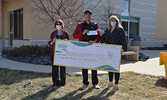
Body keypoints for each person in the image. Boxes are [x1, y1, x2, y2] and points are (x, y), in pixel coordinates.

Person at [73, 10, 102, 90]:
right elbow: (74, 35)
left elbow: (99, 36)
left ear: (91, 16)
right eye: (86, 15)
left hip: (93, 48)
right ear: (84, 16)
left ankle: (95, 83)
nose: (88, 16)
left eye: (89, 15)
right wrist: (82, 33)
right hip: (83, 48)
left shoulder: (95, 25)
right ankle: (85, 83)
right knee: (84, 66)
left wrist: (94, 41)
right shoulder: (80, 25)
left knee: (94, 66)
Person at [101, 15, 127, 91]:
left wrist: (123, 48)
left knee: (116, 68)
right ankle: (110, 82)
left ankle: (116, 84)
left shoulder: (120, 30)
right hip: (109, 51)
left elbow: (124, 40)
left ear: (117, 21)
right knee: (110, 67)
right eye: (111, 21)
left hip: (117, 51)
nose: (113, 22)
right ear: (109, 22)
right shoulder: (107, 30)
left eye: (114, 21)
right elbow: (103, 39)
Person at [48, 19, 69, 87]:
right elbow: (49, 43)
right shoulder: (53, 33)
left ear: (62, 25)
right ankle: (55, 83)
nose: (58, 25)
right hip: (54, 53)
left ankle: (63, 83)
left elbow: (69, 44)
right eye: (57, 24)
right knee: (55, 69)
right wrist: (52, 42)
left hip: (63, 53)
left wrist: (66, 41)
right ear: (55, 25)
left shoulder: (66, 33)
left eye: (60, 24)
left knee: (62, 69)